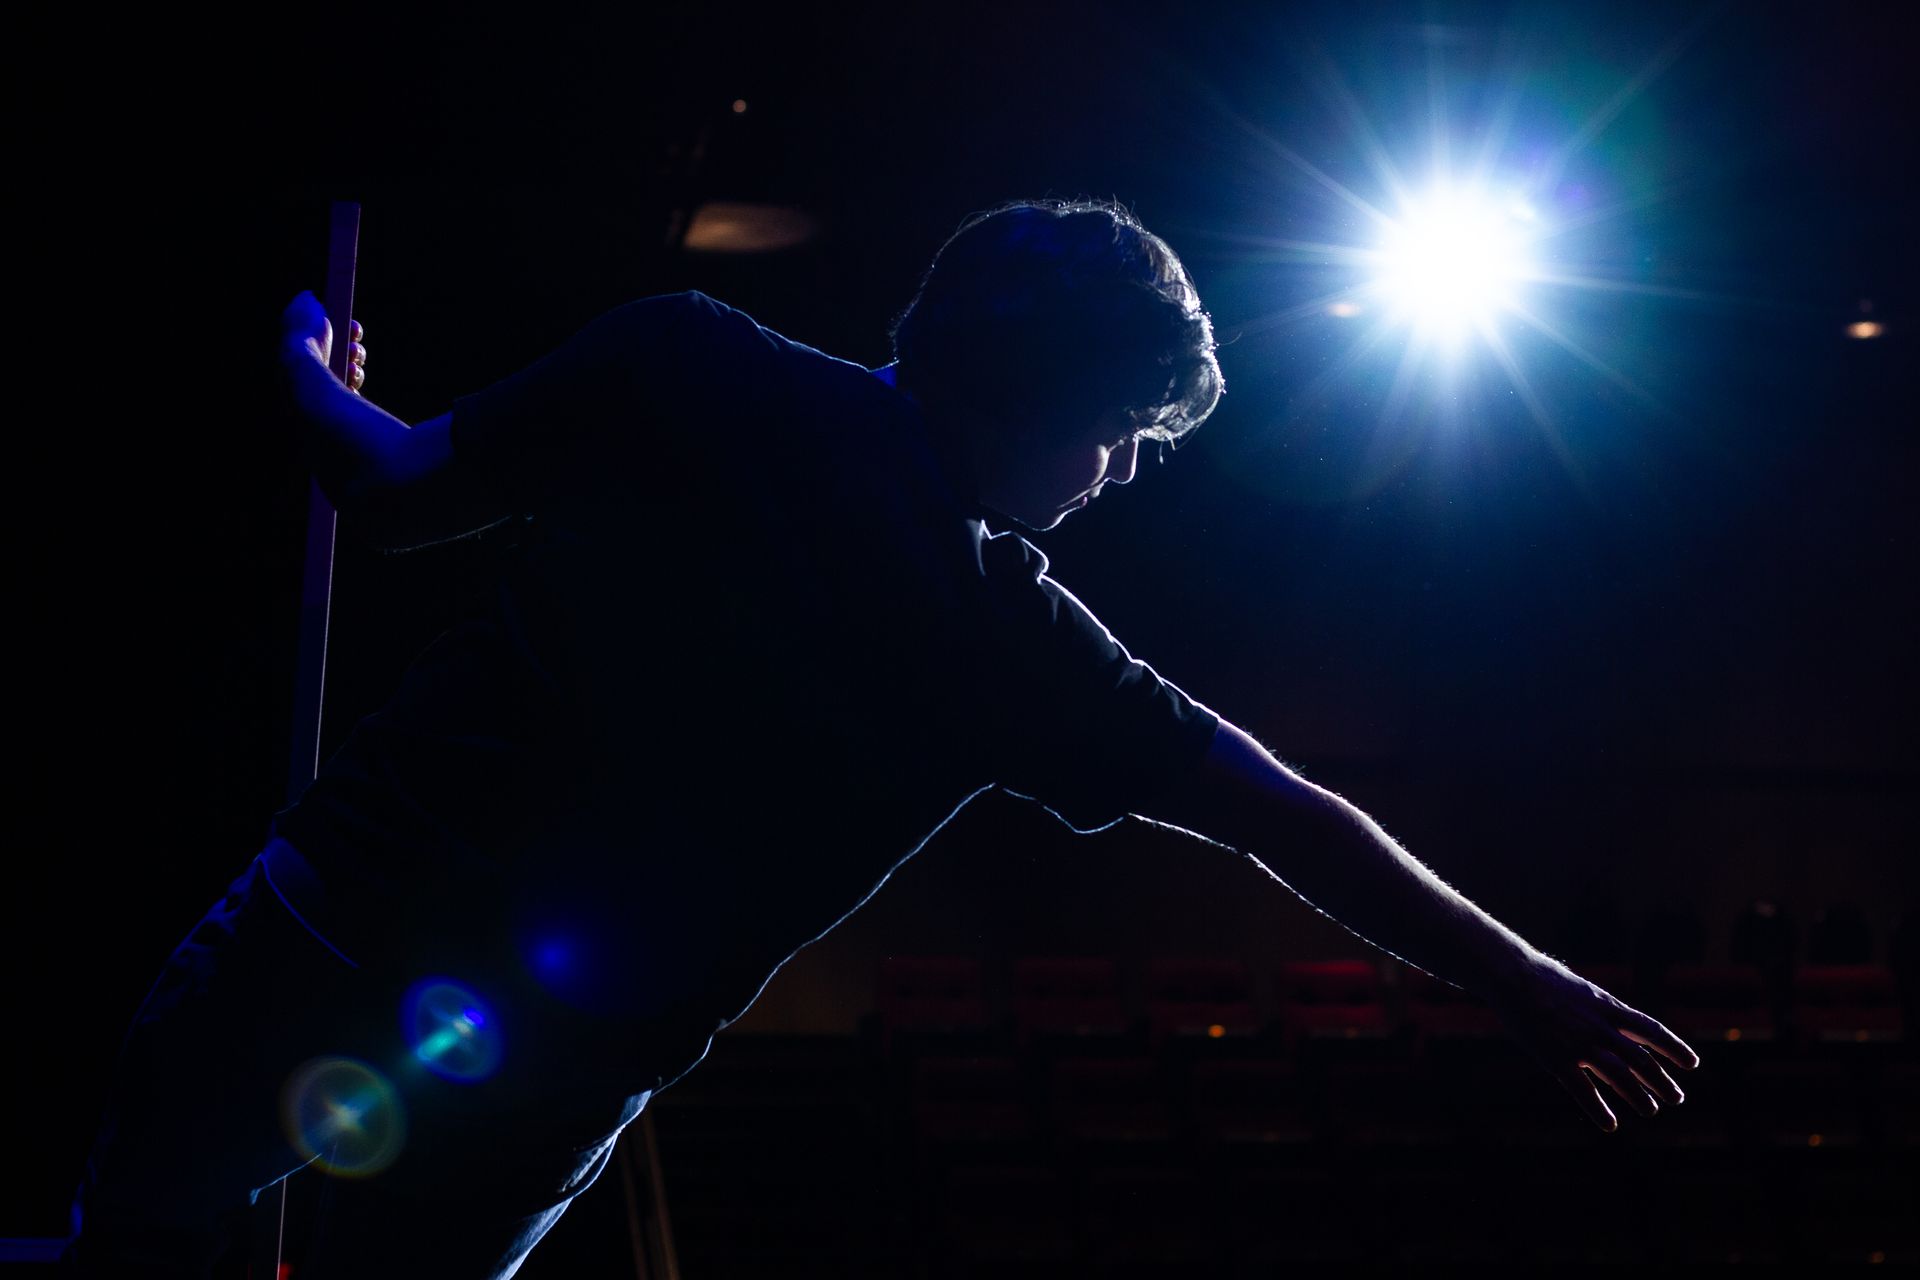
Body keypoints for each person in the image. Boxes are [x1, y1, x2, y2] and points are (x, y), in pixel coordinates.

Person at [64, 198, 1698, 1277]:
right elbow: (1287, 813)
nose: (1119, 478)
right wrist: (1532, 988)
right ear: (1047, 397)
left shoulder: (688, 360)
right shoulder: (1005, 638)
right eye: (1121, 436)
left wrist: (303, 370)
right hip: (549, 1071)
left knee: (134, 1235)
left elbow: (383, 483)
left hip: (335, 926)